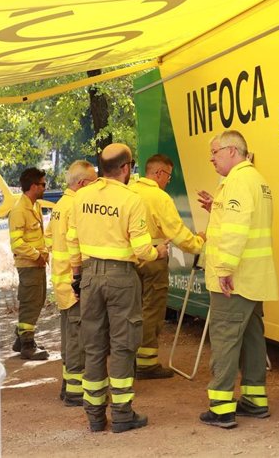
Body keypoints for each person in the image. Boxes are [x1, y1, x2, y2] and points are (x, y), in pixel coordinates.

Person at [67, 143, 168, 433]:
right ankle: (123, 414)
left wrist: (77, 273)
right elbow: (141, 248)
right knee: (123, 345)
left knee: (94, 346)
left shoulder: (81, 196)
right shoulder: (131, 199)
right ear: (126, 168)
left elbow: (72, 239)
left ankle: (95, 416)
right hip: (121, 277)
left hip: (88, 275)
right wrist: (157, 252)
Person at [196, 130, 278, 429]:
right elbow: (241, 219)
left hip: (235, 279)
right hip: (253, 279)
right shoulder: (256, 179)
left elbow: (235, 229)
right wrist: (214, 207)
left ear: (232, 150)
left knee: (225, 339)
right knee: (252, 339)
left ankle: (221, 408)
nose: (212, 158)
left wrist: (225, 269)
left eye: (215, 152)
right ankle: (255, 400)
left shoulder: (237, 181)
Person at [130, 154, 206, 379]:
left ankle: (129, 358)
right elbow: (177, 232)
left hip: (128, 259)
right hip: (153, 258)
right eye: (169, 177)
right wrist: (199, 242)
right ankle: (146, 363)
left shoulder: (129, 191)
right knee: (152, 308)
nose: (168, 182)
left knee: (131, 309)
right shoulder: (158, 197)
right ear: (160, 173)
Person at [45, 160, 98, 406]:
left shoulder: (60, 205)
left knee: (69, 334)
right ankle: (76, 391)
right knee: (78, 336)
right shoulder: (76, 205)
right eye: (93, 183)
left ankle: (68, 384)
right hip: (75, 280)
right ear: (81, 183)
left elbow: (48, 239)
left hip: (61, 279)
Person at [9, 167, 50, 360]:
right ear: (33, 186)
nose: (45, 187)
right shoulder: (19, 210)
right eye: (42, 184)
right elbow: (16, 243)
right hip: (29, 265)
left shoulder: (35, 206)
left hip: (38, 263)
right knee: (30, 303)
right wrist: (36, 255)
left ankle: (23, 338)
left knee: (38, 300)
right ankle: (26, 344)